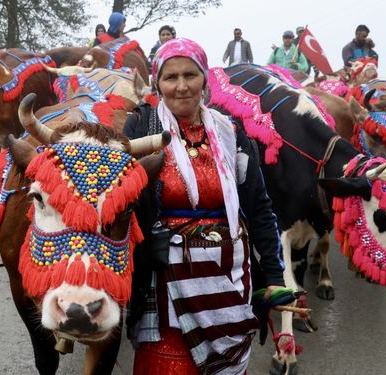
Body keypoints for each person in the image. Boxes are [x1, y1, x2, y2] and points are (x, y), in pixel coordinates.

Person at [125, 38, 286, 374]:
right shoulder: (141, 127)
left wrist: (272, 275)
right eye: (171, 77)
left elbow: (258, 208)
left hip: (229, 278)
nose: (181, 86)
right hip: (165, 280)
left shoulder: (231, 132)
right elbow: (124, 204)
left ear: (205, 79)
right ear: (158, 83)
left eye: (190, 75)